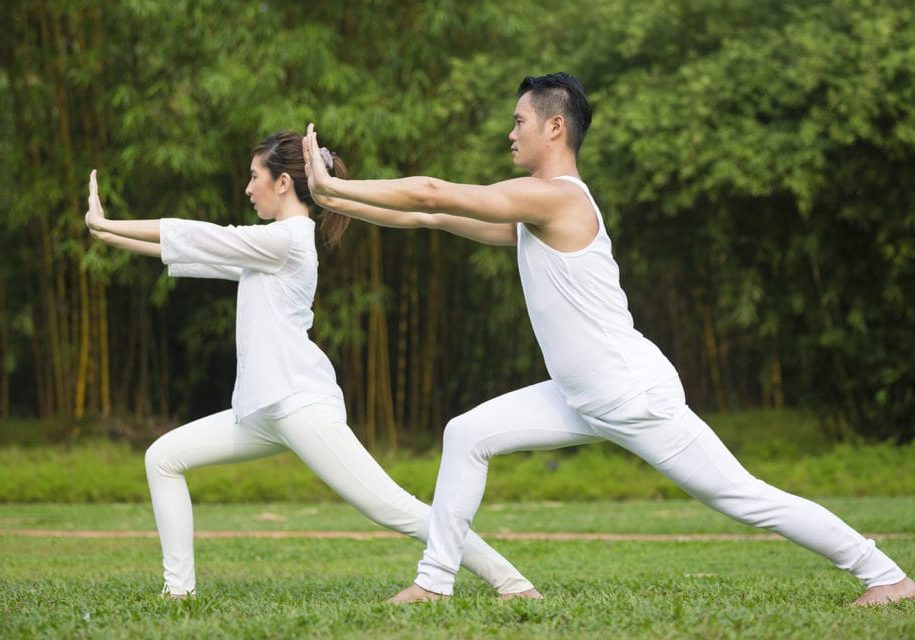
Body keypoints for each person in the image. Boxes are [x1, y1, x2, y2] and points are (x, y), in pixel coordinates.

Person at [301, 73, 915, 606]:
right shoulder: (531, 215)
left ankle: (885, 576)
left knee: (743, 497)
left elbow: (433, 191)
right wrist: (337, 198)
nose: (510, 134)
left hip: (629, 394)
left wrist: (334, 189)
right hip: (577, 395)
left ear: (555, 127)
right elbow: (426, 215)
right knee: (466, 433)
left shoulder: (557, 200)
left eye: (519, 122)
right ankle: (435, 582)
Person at [83, 130, 539, 600]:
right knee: (164, 457)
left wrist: (114, 221)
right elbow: (190, 250)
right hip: (263, 411)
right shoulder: (267, 249)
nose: (247, 188)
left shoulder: (289, 239)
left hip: (299, 406)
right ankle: (178, 592)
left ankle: (512, 582)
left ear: (283, 183)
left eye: (254, 176)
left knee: (393, 507)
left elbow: (202, 235)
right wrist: (106, 232)